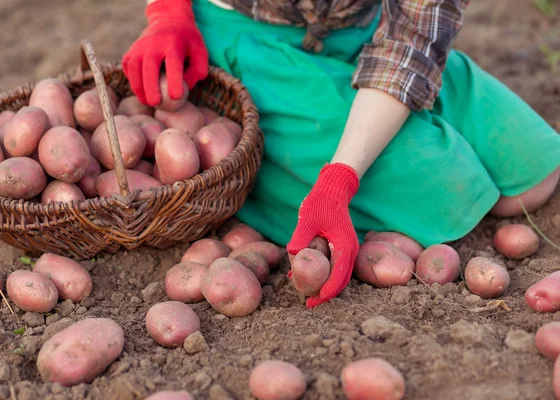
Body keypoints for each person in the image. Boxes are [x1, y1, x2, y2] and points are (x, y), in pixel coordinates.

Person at [122, 0, 560, 308]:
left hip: (371, 31)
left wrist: (338, 181)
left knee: (533, 177)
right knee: (453, 188)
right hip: (249, 36)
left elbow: (411, 43)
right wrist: (170, 12)